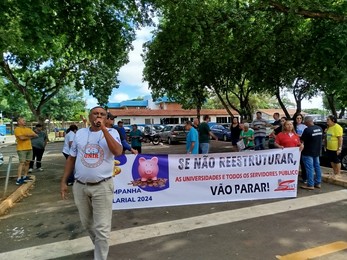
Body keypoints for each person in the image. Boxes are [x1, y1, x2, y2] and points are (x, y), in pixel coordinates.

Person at [60, 106, 123, 260]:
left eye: (102, 114)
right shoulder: (80, 134)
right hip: (80, 186)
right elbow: (71, 158)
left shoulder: (113, 132)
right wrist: (63, 181)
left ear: (106, 118)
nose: (98, 116)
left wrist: (104, 130)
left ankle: (100, 255)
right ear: (90, 117)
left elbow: (117, 152)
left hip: (103, 186)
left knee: (102, 227)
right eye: (95, 114)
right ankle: (100, 246)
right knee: (87, 224)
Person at [300, 116, 323, 190]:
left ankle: (310, 184)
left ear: (307, 122)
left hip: (308, 152)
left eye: (304, 122)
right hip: (317, 151)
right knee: (317, 167)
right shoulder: (320, 128)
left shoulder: (307, 130)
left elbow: (302, 140)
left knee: (309, 168)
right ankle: (318, 183)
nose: (304, 123)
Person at [14, 117, 38, 185]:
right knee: (22, 163)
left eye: (25, 120)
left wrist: (26, 135)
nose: (25, 121)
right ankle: (18, 178)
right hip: (21, 149)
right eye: (23, 120)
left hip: (29, 148)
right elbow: (21, 138)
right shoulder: (17, 129)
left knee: (28, 162)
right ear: (19, 122)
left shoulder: (28, 129)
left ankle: (25, 176)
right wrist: (30, 136)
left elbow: (36, 135)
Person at [325, 115, 343, 179]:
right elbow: (327, 137)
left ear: (333, 120)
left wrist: (339, 148)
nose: (327, 121)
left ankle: (338, 173)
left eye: (328, 120)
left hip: (335, 148)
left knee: (336, 160)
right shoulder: (329, 127)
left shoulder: (337, 127)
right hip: (329, 147)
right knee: (331, 160)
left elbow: (340, 139)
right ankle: (335, 172)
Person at [293, 113, 307, 183]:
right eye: (297, 118)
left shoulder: (304, 127)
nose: (299, 120)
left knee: (303, 163)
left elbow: (305, 137)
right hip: (293, 147)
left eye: (300, 118)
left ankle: (305, 178)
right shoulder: (292, 126)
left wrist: (297, 135)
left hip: (301, 146)